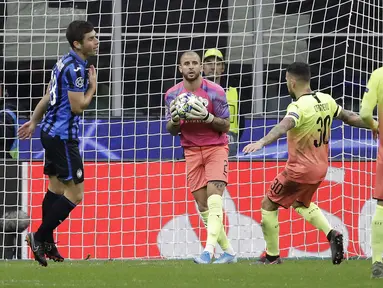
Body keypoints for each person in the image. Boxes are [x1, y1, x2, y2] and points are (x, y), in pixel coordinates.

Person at [243, 62, 377, 265]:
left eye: (287, 81)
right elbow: (349, 117)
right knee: (300, 203)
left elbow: (283, 126)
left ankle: (272, 256)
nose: (287, 85)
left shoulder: (297, 107)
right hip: (321, 168)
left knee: (268, 204)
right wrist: (376, 125)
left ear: (292, 81)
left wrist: (261, 142)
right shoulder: (326, 100)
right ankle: (332, 234)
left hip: (299, 169)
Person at [18, 20, 98, 267]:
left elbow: (47, 95)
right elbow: (78, 105)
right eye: (91, 39)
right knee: (76, 195)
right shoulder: (75, 70)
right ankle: (39, 236)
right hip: (63, 138)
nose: (96, 42)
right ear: (78, 44)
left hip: (50, 132)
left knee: (55, 189)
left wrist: (33, 122)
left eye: (96, 37)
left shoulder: (62, 61)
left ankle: (48, 242)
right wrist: (93, 87)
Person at [165, 51, 236, 264]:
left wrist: (207, 117)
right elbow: (170, 129)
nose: (191, 67)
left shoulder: (215, 92)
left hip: (216, 148)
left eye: (195, 63)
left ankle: (208, 251)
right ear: (180, 68)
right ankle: (229, 252)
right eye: (186, 64)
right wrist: (176, 120)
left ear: (201, 67)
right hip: (191, 151)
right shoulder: (172, 94)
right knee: (203, 205)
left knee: (215, 200)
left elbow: (226, 125)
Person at [359, 67, 383, 278]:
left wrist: (376, 126)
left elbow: (365, 113)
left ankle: (378, 261)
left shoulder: (378, 75)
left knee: (382, 205)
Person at [202, 48, 245, 157]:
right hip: (201, 145)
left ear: (223, 68)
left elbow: (241, 122)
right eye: (209, 63)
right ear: (202, 67)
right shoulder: (194, 92)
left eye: (217, 63)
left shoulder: (234, 92)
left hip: (228, 146)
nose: (213, 67)